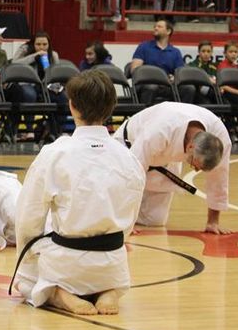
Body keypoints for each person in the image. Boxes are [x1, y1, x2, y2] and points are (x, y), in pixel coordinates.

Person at [14, 69, 146, 315]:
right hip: (112, 261)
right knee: (110, 273)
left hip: (67, 261)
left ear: (72, 106)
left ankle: (56, 293)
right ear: (112, 107)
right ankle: (108, 291)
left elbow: (28, 216)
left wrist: (28, 253)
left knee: (24, 279)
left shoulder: (55, 153)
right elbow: (131, 216)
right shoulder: (129, 158)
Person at [112, 101, 231, 234]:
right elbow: (133, 171)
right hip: (129, 148)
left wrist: (213, 221)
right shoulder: (160, 130)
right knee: (119, 213)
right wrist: (128, 220)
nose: (196, 170)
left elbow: (219, 179)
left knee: (155, 220)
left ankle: (123, 208)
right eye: (194, 163)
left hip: (165, 161)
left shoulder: (219, 137)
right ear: (190, 147)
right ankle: (111, 209)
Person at [130, 19, 184, 104]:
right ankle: (145, 116)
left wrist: (174, 78)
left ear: (168, 31)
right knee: (151, 87)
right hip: (147, 83)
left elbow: (180, 74)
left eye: (159, 26)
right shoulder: (144, 46)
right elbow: (134, 69)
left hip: (167, 86)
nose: (155, 28)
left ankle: (183, 115)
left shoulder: (175, 52)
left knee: (188, 88)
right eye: (154, 26)